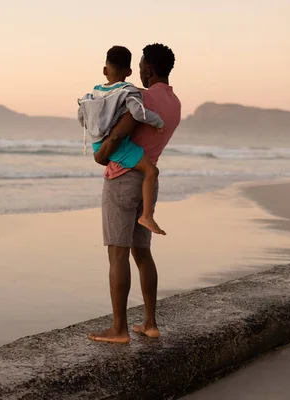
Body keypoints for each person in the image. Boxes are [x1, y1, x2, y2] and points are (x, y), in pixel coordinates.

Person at [89, 43, 182, 344]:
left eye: (141, 65)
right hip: (148, 181)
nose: (139, 70)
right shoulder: (176, 103)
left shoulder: (142, 97)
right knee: (142, 253)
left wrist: (102, 153)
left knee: (117, 253)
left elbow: (120, 132)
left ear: (149, 70)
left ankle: (119, 330)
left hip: (123, 179)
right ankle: (150, 324)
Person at [78, 46, 166, 235]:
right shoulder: (128, 91)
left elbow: (82, 116)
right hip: (118, 145)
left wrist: (96, 132)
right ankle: (147, 216)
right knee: (151, 170)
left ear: (104, 70)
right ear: (129, 72)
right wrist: (158, 122)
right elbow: (138, 113)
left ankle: (147, 216)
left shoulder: (95, 92)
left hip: (98, 142)